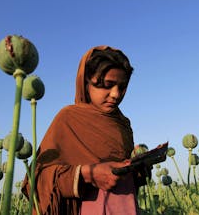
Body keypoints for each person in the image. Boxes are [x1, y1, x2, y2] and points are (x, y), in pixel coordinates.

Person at [22, 45, 149, 214]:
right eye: (108, 85)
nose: (116, 94)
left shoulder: (123, 124)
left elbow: (124, 178)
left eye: (122, 86)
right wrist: (87, 174)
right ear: (86, 81)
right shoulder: (68, 118)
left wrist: (138, 169)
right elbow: (36, 180)